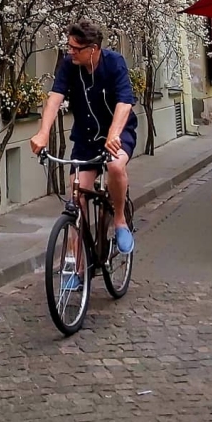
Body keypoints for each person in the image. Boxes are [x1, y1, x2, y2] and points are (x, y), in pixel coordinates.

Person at [29, 18, 137, 255]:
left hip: (117, 133)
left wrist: (113, 135)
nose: (71, 52)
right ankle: (77, 265)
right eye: (69, 47)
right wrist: (43, 133)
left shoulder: (114, 63)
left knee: (116, 166)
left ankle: (120, 220)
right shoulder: (69, 65)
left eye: (76, 49)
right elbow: (55, 98)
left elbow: (124, 102)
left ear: (93, 49)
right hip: (85, 138)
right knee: (76, 196)